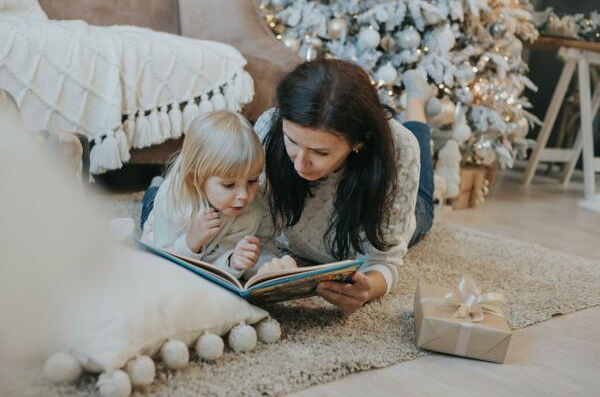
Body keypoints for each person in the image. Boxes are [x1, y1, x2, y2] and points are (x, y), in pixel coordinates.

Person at [250, 59, 434, 314]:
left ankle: (415, 101)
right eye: (291, 141)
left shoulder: (399, 149)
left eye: (320, 152)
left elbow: (384, 261)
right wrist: (266, 265)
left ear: (358, 142)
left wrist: (368, 287)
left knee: (424, 199)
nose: (300, 164)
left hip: (399, 198)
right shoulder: (268, 127)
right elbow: (254, 232)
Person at [140, 110, 264, 278]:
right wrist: (191, 242)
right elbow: (162, 263)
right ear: (195, 178)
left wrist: (232, 261)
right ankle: (154, 186)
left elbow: (215, 268)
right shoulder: (171, 198)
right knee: (150, 203)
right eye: (229, 185)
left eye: (252, 181)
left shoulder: (249, 211)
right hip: (159, 226)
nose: (244, 195)